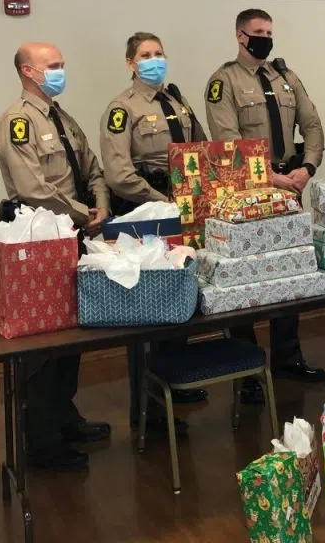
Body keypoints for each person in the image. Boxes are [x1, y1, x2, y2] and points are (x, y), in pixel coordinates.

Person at [0, 42, 111, 471]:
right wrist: (83, 213)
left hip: (76, 233)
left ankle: (64, 415)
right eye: (53, 66)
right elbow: (33, 189)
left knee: (72, 334)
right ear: (28, 71)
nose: (61, 72)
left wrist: (100, 206)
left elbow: (93, 169)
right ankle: (40, 440)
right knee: (43, 344)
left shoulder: (63, 118)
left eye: (62, 64)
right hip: (41, 240)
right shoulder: (17, 122)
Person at [204, 9, 325, 398]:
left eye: (270, 32)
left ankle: (288, 358)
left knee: (289, 271)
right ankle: (247, 370)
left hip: (292, 185)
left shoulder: (286, 77)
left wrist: (308, 167)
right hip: (249, 191)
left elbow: (312, 124)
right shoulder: (224, 82)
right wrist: (270, 178)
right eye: (259, 32)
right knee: (245, 277)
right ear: (240, 36)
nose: (266, 39)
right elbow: (228, 142)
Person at [99, 32, 209, 437]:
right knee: (151, 312)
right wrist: (162, 201)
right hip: (146, 215)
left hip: (183, 210)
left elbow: (202, 149)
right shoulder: (122, 109)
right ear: (130, 63)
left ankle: (174, 382)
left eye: (159, 53)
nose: (154, 60)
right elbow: (118, 174)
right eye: (145, 55)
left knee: (180, 298)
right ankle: (148, 410)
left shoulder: (177, 101)